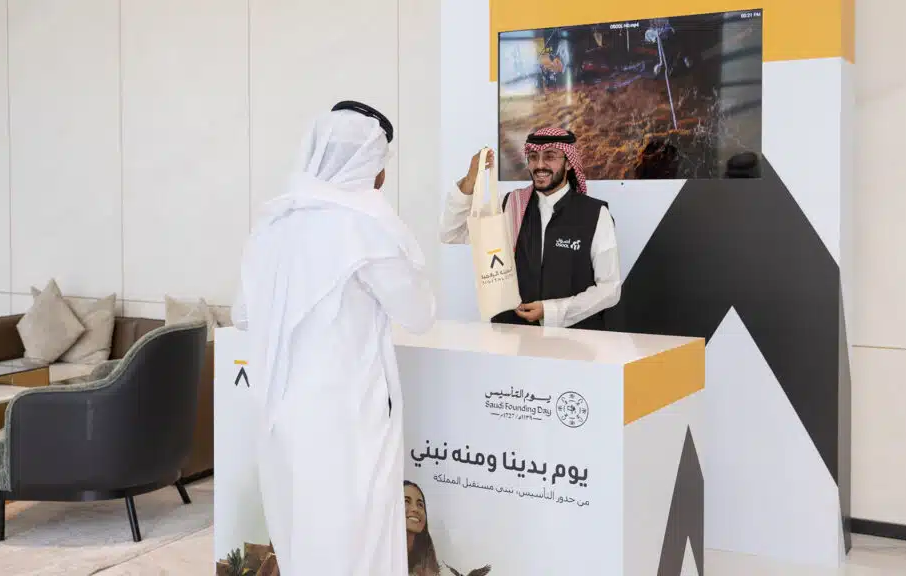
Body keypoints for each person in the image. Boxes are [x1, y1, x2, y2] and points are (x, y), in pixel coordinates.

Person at [232, 101, 436, 576]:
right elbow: (420, 315)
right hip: (349, 416)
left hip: (284, 413)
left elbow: (243, 315)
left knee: (304, 534)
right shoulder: (366, 229)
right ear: (371, 167)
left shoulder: (272, 224)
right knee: (356, 538)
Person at [439, 127, 621, 330]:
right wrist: (470, 179)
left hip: (575, 340)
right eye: (533, 157)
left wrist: (551, 311)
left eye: (550, 156)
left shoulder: (594, 214)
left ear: (569, 162)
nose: (540, 165)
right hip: (512, 335)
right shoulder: (510, 205)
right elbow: (452, 232)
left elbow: (609, 288)